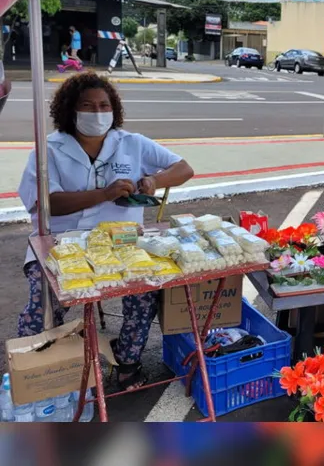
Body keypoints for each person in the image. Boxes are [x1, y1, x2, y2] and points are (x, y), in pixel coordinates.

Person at [17, 72, 194, 390]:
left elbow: (184, 168)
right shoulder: (50, 150)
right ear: (70, 110)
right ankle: (42, 373)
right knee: (42, 306)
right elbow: (47, 204)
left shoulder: (133, 144)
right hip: (60, 243)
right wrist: (104, 193)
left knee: (143, 295)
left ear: (114, 110)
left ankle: (128, 362)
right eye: (87, 106)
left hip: (122, 242)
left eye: (104, 105)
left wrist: (155, 180)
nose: (97, 113)